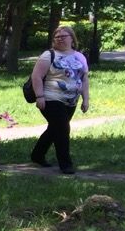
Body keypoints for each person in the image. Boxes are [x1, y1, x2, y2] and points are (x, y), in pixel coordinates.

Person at [29, 25, 89, 174]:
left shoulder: (80, 57)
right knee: (63, 129)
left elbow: (84, 79)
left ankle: (37, 155)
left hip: (71, 100)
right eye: (57, 37)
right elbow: (36, 77)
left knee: (55, 128)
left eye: (64, 36)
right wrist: (40, 96)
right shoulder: (48, 55)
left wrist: (85, 99)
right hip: (51, 98)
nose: (60, 39)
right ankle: (66, 164)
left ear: (72, 39)